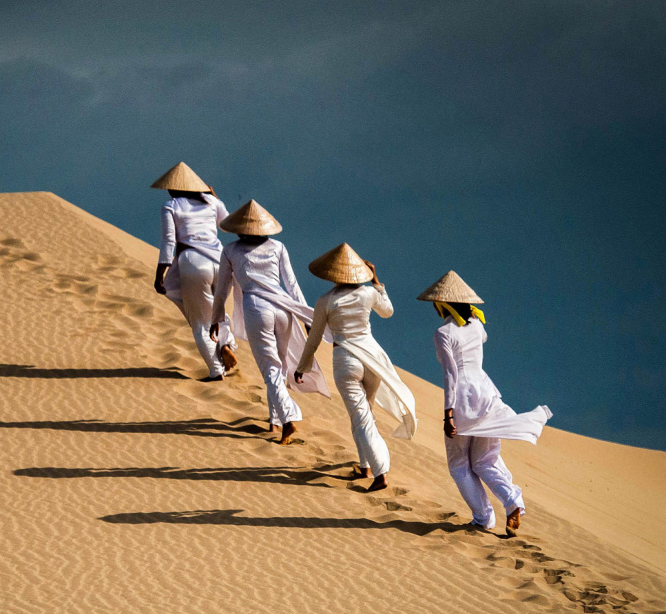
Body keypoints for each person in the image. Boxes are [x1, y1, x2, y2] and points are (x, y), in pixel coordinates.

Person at [418, 270, 552, 535]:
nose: (433, 306)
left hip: (462, 401)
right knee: (484, 461)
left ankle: (483, 518)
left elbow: (450, 374)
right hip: (487, 397)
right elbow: (481, 339)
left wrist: (448, 415)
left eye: (436, 302)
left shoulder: (443, 333)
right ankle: (513, 503)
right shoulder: (477, 325)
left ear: (442, 304)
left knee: (459, 465)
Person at [294, 244, 416, 492]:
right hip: (372, 359)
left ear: (331, 274)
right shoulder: (367, 293)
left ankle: (380, 472)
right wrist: (377, 281)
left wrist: (302, 366)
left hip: (345, 359)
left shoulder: (325, 301)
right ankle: (365, 466)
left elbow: (314, 338)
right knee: (364, 414)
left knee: (361, 418)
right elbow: (388, 311)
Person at [209, 200, 328, 445]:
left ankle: (287, 419)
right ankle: (274, 421)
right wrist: (307, 318)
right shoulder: (278, 247)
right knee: (280, 365)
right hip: (283, 307)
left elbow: (222, 291)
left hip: (256, 307)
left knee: (270, 368)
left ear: (239, 229)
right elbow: (292, 285)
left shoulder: (230, 250)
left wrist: (216, 319)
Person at [150, 162, 238, 381]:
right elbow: (227, 225)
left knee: (199, 320)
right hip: (221, 262)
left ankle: (216, 370)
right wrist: (216, 198)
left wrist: (160, 274)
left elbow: (169, 242)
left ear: (174, 188)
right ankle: (225, 344)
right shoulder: (210, 202)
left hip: (193, 262)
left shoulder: (171, 206)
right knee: (217, 312)